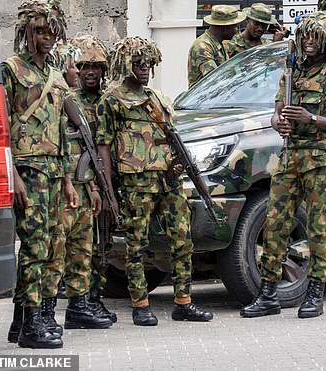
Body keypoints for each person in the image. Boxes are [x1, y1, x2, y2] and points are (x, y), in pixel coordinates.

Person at [240, 12, 326, 319]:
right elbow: (277, 112)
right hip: (290, 157)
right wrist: (280, 122)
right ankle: (268, 294)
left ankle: (316, 291)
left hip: (319, 160)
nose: (307, 41)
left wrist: (312, 119)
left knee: (318, 227)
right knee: (276, 222)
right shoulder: (291, 72)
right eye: (304, 35)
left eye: (314, 36)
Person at [96, 36, 214, 326]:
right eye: (138, 64)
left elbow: (171, 139)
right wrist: (110, 189)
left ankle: (184, 302)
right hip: (136, 184)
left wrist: (177, 166)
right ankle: (140, 304)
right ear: (125, 65)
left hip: (168, 182)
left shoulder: (159, 99)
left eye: (148, 63)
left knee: (182, 241)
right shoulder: (113, 100)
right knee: (137, 245)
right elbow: (104, 146)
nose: (144, 69)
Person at [4, 0, 78, 349]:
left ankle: (22, 322)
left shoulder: (54, 74)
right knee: (34, 245)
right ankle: (33, 323)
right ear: (26, 32)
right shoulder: (12, 70)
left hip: (52, 172)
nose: (47, 38)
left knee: (49, 245)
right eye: (40, 31)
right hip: (26, 170)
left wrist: (66, 181)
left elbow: (61, 131)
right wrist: (11, 175)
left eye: (52, 32)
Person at [41, 40, 112, 332]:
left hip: (84, 184)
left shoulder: (94, 102)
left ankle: (79, 307)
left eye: (94, 67)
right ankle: (44, 312)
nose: (84, 72)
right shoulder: (59, 101)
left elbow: (90, 152)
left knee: (84, 249)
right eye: (80, 66)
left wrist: (95, 187)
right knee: (56, 250)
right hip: (63, 185)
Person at [70, 34, 118, 323]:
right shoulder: (70, 101)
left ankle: (95, 298)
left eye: (96, 67)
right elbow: (69, 145)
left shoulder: (108, 100)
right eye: (85, 66)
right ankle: (82, 299)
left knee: (104, 244)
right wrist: (88, 182)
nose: (90, 72)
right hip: (82, 183)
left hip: (107, 180)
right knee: (83, 245)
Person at [187, 5, 244, 87]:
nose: (237, 31)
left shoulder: (219, 44)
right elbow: (213, 80)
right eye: (235, 26)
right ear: (225, 27)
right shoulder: (203, 47)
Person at [222, 3, 286, 58]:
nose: (260, 29)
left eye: (264, 25)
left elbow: (274, 66)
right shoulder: (230, 43)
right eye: (256, 24)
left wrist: (275, 44)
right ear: (247, 19)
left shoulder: (268, 45)